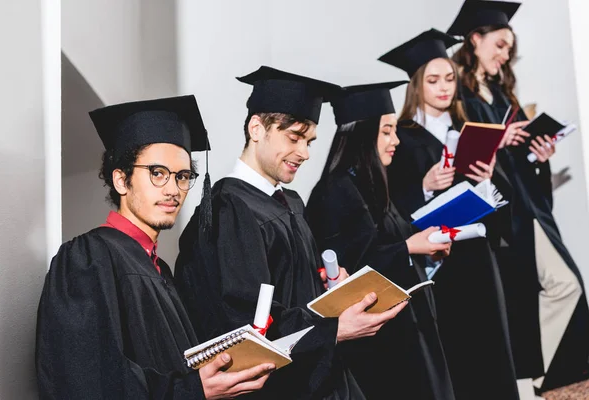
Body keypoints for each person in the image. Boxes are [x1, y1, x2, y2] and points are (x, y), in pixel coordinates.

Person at [175, 66, 407, 399]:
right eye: (294, 137)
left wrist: (330, 287)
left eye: (309, 140)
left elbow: (295, 289)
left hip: (320, 373)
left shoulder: (291, 202)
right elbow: (249, 321)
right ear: (257, 128)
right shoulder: (231, 208)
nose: (305, 153)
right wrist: (335, 328)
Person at [35, 95, 273, 399]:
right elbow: (87, 381)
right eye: (157, 173)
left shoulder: (159, 269)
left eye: (183, 177)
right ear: (121, 180)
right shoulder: (88, 259)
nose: (173, 190)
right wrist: (191, 390)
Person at [448, 0, 589, 393]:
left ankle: (545, 372)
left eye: (509, 47)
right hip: (500, 214)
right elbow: (465, 161)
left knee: (563, 284)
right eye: (499, 44)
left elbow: (517, 163)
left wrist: (537, 156)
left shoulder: (501, 94)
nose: (505, 53)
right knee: (544, 290)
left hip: (527, 207)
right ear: (474, 40)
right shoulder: (458, 96)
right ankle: (542, 375)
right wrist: (495, 141)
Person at [379, 29, 520, 400]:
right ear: (416, 85)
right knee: (456, 353)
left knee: (491, 349)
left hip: (479, 260)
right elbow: (389, 210)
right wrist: (425, 186)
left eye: (449, 79)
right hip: (439, 266)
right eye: (433, 80)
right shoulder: (401, 139)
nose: (444, 88)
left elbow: (502, 205)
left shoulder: (470, 130)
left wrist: (487, 181)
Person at [305, 81, 456, 400]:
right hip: (378, 343)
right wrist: (410, 246)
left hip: (406, 329)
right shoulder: (334, 192)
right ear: (363, 135)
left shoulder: (373, 186)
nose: (396, 140)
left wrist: (425, 250)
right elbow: (351, 265)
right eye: (387, 131)